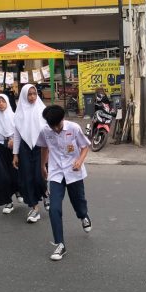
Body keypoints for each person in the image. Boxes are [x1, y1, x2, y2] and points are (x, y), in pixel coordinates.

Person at [37, 105, 92, 261]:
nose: (55, 128)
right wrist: (42, 166)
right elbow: (44, 148)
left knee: (78, 202)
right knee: (54, 208)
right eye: (51, 125)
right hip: (56, 173)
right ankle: (60, 244)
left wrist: (79, 161)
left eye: (57, 125)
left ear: (63, 119)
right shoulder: (45, 131)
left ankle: (83, 216)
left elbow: (84, 146)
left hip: (73, 171)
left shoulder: (73, 128)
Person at [12, 84, 49, 223]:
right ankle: (34, 208)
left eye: (34, 94)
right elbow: (17, 135)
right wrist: (15, 154)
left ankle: (45, 194)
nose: (32, 97)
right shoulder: (19, 113)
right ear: (24, 96)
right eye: (29, 94)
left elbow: (49, 132)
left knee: (40, 176)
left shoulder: (42, 110)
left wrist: (50, 151)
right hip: (25, 149)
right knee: (27, 178)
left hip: (41, 148)